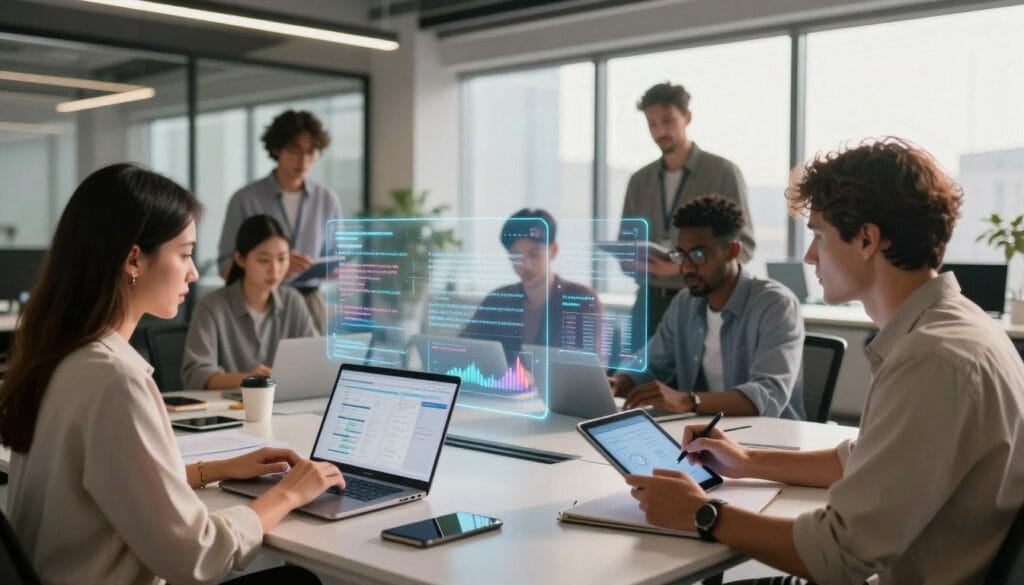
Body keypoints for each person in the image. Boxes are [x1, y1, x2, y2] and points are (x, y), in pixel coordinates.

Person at [626, 138, 1024, 584]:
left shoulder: (933, 360)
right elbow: (861, 459)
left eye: (818, 235)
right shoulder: (956, 328)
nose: (809, 256)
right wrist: (746, 460)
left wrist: (700, 513)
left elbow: (837, 555)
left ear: (867, 239)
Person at [0, 164, 345, 585]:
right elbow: (196, 556)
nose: (194, 272)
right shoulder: (115, 381)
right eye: (184, 254)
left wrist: (217, 469)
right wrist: (289, 493)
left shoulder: (60, 356)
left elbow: (116, 481)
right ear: (133, 259)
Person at [611, 194, 803, 418]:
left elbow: (766, 394)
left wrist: (688, 400)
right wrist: (617, 383)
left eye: (699, 255)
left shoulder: (776, 305)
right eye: (680, 255)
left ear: (733, 251)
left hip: (769, 433)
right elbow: (650, 364)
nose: (687, 267)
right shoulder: (685, 303)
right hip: (703, 431)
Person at [621, 82, 756, 351]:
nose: (660, 130)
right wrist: (633, 261)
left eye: (667, 120)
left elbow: (745, 245)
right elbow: (626, 242)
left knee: (696, 375)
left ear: (687, 117)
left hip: (702, 299)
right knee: (634, 374)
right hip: (648, 302)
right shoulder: (639, 180)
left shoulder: (722, 172)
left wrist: (681, 265)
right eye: (651, 123)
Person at [218, 109, 341, 334]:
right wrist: (278, 266)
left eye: (310, 151)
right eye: (294, 150)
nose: (303, 160)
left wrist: (336, 268)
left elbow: (335, 256)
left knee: (315, 356)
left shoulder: (326, 198)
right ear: (276, 149)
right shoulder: (245, 198)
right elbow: (226, 267)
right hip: (259, 302)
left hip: (310, 302)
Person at [183, 214, 317, 390]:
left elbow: (315, 359)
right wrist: (250, 380)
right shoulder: (211, 307)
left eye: (282, 259)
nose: (275, 270)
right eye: (264, 260)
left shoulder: (293, 301)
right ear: (240, 259)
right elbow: (195, 375)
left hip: (284, 402)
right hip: (228, 405)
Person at [461, 208, 604, 360]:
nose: (525, 265)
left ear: (553, 250)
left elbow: (589, 365)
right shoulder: (497, 300)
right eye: (516, 256)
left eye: (534, 254)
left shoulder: (583, 300)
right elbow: (465, 348)